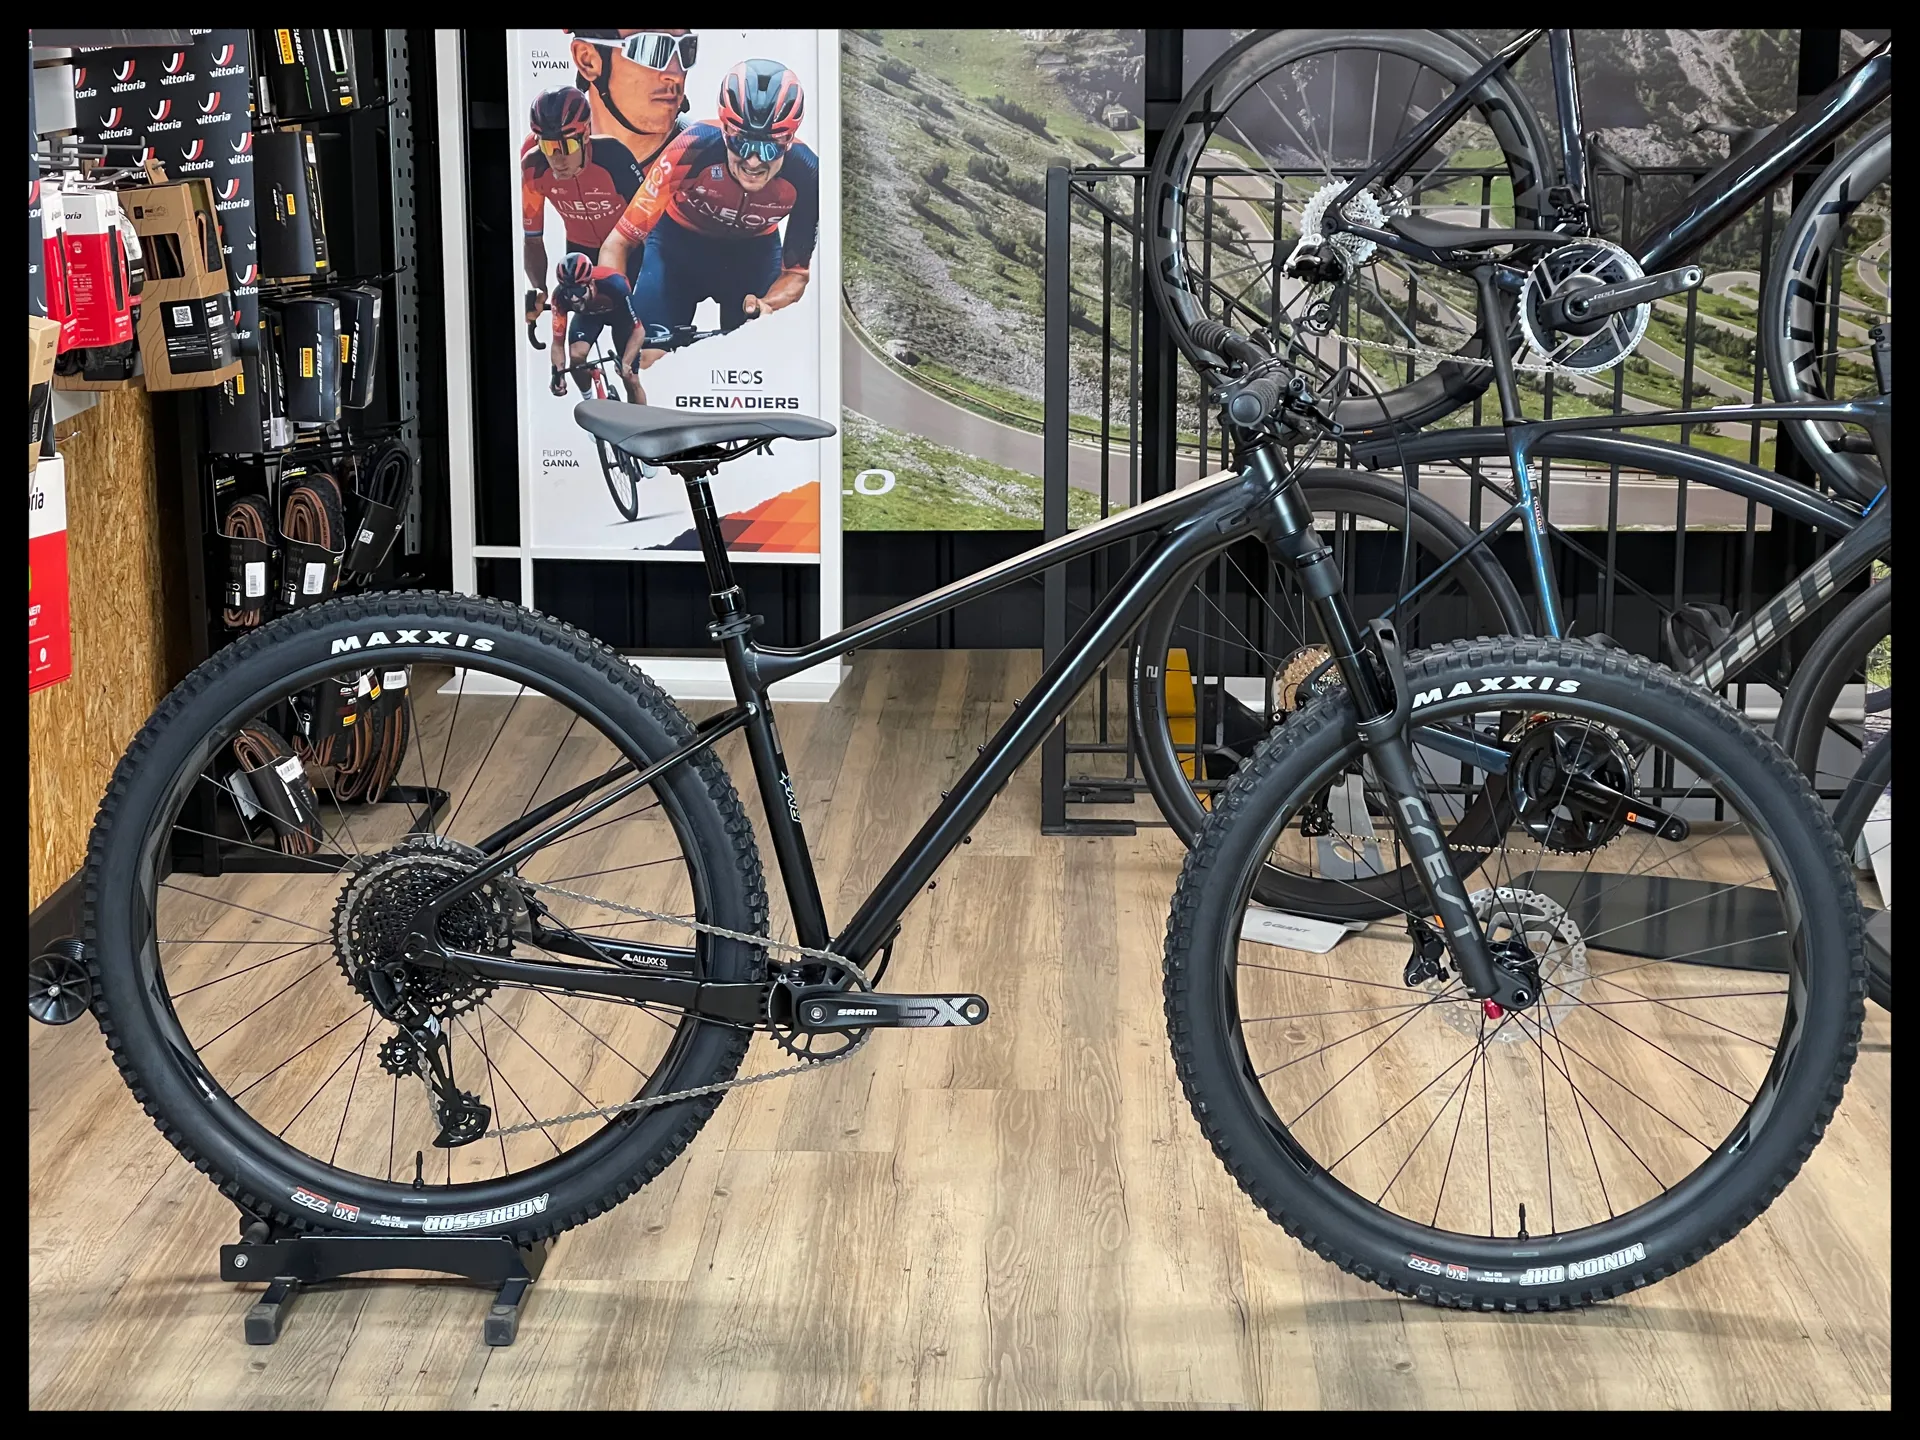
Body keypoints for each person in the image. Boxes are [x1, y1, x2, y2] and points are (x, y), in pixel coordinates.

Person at [598, 60, 819, 343]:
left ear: (788, 141)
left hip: (753, 256)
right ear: (725, 130)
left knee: (754, 348)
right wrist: (620, 310)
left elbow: (796, 274)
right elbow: (618, 243)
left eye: (769, 148)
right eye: (740, 142)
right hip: (677, 247)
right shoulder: (692, 148)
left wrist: (769, 304)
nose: (753, 161)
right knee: (646, 351)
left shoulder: (808, 173)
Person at [520, 87, 649, 326]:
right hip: (581, 254)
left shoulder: (614, 157)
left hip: (630, 250)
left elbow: (652, 221)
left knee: (631, 328)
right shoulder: (533, 168)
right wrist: (538, 288)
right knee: (581, 336)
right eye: (548, 147)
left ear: (586, 134)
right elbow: (533, 239)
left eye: (567, 146)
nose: (557, 159)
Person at [564, 28, 695, 172]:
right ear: (587, 60)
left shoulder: (708, 161)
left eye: (686, 47)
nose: (676, 74)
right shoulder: (551, 160)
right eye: (651, 49)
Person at [548, 252, 647, 404]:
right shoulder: (559, 297)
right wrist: (557, 374)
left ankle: (640, 417)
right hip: (589, 315)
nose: (574, 298)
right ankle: (589, 401)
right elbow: (557, 344)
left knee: (631, 378)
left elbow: (638, 331)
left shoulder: (615, 285)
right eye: (569, 292)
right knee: (576, 356)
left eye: (578, 291)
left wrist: (626, 362)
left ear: (591, 284)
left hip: (620, 316)